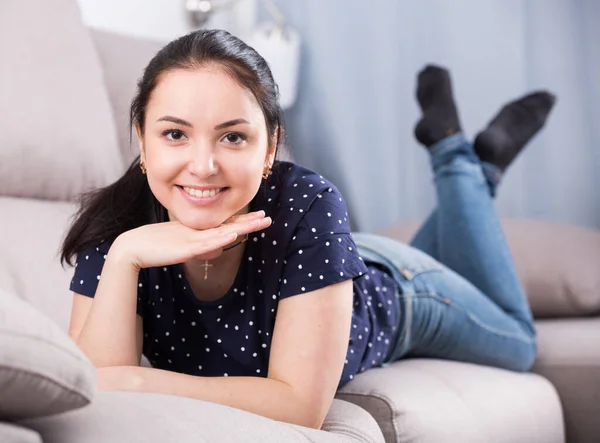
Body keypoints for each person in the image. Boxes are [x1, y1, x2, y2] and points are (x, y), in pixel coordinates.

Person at [61, 29, 556, 429]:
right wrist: (126, 256)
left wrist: (141, 382)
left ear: (271, 147)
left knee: (519, 342)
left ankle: (453, 157)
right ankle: (482, 167)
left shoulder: (311, 201)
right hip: (326, 260)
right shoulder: (119, 225)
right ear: (142, 143)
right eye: (175, 134)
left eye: (233, 136)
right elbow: (93, 391)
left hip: (399, 293)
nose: (203, 165)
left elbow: (300, 408)